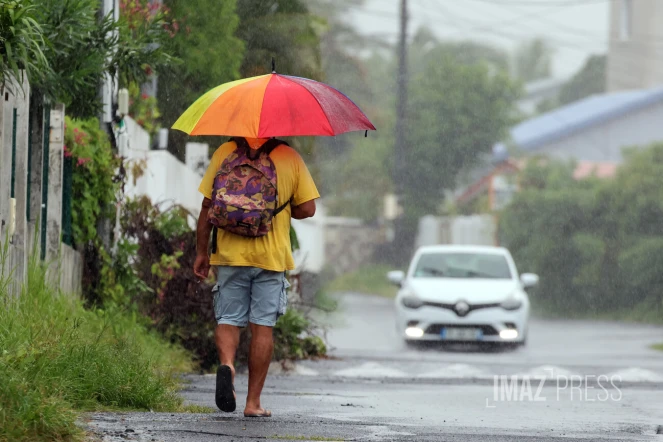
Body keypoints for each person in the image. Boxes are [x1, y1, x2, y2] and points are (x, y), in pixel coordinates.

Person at [193, 136, 319, 417]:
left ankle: (227, 364)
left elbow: (206, 206)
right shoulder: (289, 157)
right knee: (262, 327)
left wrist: (202, 252)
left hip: (229, 254)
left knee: (228, 319)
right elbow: (309, 208)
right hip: (270, 258)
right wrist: (282, 208)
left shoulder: (226, 152)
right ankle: (253, 403)